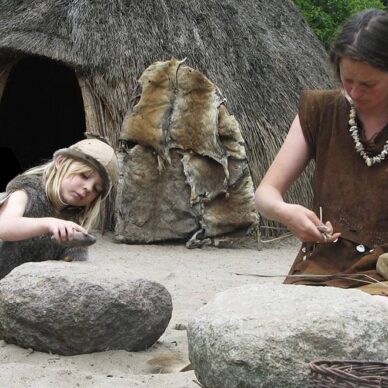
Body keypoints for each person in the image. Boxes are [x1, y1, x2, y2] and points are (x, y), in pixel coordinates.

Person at [255, 9, 388, 292]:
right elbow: (264, 194)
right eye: (346, 79)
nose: (354, 92)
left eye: (368, 84)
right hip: (321, 269)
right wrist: (284, 211)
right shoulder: (321, 111)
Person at [0, 138, 118, 279]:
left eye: (96, 189)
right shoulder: (27, 191)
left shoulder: (72, 224)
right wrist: (50, 223)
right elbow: (4, 226)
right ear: (61, 162)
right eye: (84, 176)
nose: (88, 188)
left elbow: (73, 269)